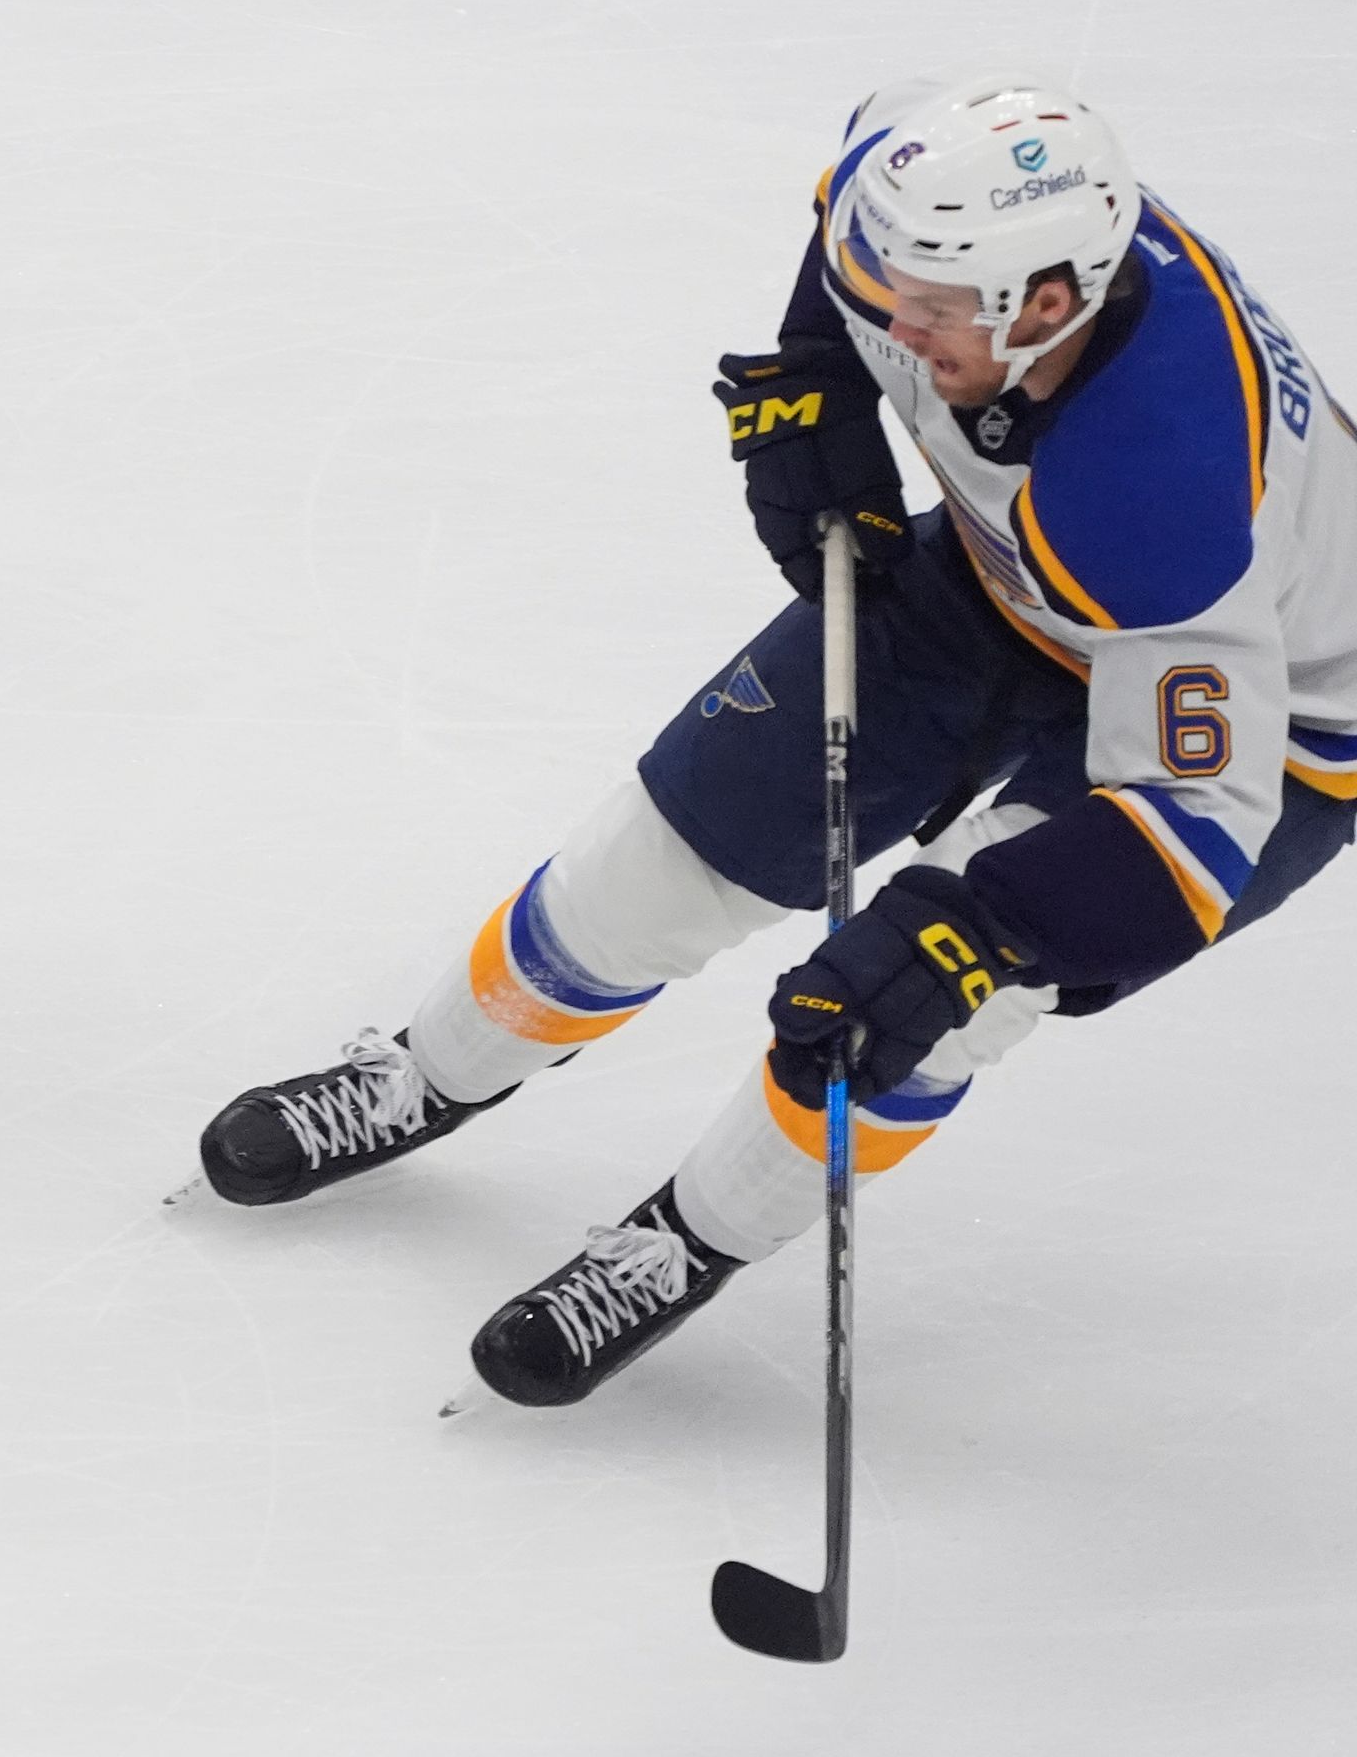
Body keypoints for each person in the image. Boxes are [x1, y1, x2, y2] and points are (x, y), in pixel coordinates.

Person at [193, 72, 1357, 1402]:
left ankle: (687, 1240)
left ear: (1048, 306)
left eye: (920, 316)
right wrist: (813, 379)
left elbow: (1197, 831)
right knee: (670, 850)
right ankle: (423, 1075)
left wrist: (976, 929)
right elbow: (846, 237)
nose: (887, 321)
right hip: (1006, 585)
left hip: (1273, 738)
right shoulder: (928, 206)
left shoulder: (1161, 481)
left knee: (907, 1024)